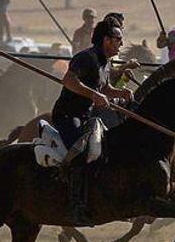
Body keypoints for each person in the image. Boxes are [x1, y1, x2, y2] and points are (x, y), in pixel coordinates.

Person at [52, 18, 133, 223]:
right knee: (81, 153)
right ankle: (75, 206)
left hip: (86, 116)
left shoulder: (104, 62)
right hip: (67, 115)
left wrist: (119, 93)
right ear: (107, 40)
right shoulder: (86, 57)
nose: (121, 44)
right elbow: (69, 80)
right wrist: (93, 95)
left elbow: (102, 88)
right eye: (118, 39)